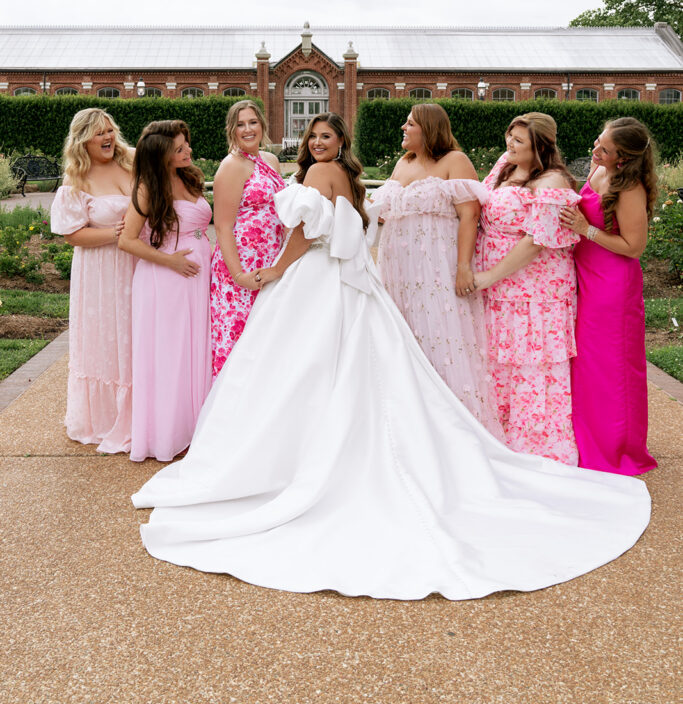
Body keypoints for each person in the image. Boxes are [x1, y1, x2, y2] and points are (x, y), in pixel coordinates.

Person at [131, 113, 649, 602]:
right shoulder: (338, 176)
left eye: (326, 138)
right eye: (312, 137)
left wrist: (274, 272)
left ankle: (290, 460)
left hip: (315, 279)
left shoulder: (322, 176)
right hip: (345, 280)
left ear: (339, 145)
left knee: (297, 371)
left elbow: (304, 235)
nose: (317, 144)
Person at [370, 104, 500, 435]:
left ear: (428, 128)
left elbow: (470, 217)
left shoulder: (454, 161)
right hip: (398, 269)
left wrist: (462, 268)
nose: (403, 127)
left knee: (441, 336)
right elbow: (386, 213)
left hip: (436, 267)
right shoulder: (403, 163)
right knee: (405, 337)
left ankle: (452, 428)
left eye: (410, 123)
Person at [473, 113, 581, 465]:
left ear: (541, 147)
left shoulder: (553, 182)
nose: (510, 145)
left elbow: (537, 241)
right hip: (501, 292)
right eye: (510, 137)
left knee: (532, 366)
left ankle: (534, 446)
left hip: (536, 294)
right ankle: (498, 436)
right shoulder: (506, 165)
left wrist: (489, 276)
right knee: (500, 362)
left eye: (519, 141)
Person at [560, 117, 658, 475]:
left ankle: (618, 447)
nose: (595, 150)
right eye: (597, 141)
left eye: (604, 148)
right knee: (585, 363)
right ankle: (589, 439)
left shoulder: (630, 187)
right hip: (584, 276)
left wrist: (586, 230)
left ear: (623, 158)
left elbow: (635, 247)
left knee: (612, 366)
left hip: (612, 286)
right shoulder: (596, 169)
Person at [119, 120, 212, 462]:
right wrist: (169, 261)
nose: (187, 150)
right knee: (172, 355)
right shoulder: (147, 187)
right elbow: (126, 240)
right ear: (162, 155)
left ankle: (195, 427)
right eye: (179, 148)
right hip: (165, 280)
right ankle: (167, 433)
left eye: (186, 144)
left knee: (196, 349)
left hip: (197, 275)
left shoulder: (188, 176)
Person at [50, 107, 134, 453]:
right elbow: (72, 235)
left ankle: (138, 413)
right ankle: (104, 418)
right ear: (83, 139)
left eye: (110, 131)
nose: (108, 138)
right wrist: (116, 233)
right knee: (104, 337)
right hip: (99, 273)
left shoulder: (131, 162)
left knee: (133, 335)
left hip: (136, 265)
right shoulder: (76, 178)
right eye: (99, 133)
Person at [210, 100, 285, 379]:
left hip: (270, 260)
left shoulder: (271, 160)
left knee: (267, 338)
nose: (248, 129)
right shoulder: (231, 166)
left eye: (252, 122)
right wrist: (239, 275)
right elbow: (222, 226)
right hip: (240, 266)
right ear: (232, 130)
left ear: (262, 124)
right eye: (240, 124)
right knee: (240, 340)